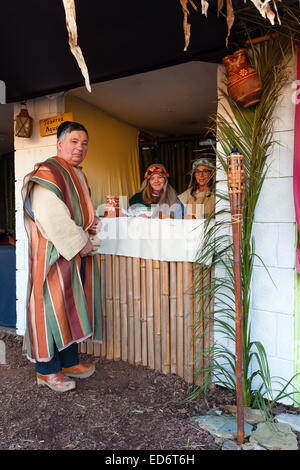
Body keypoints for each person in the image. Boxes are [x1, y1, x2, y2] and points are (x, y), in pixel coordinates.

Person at [21, 121, 102, 392]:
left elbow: (77, 211)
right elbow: (50, 215)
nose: (80, 148)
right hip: (53, 254)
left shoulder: (76, 174)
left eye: (84, 143)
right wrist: (81, 243)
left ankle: (69, 362)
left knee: (69, 307)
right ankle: (46, 370)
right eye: (74, 141)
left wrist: (91, 222)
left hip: (70, 254)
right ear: (60, 144)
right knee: (50, 309)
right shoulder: (49, 172)